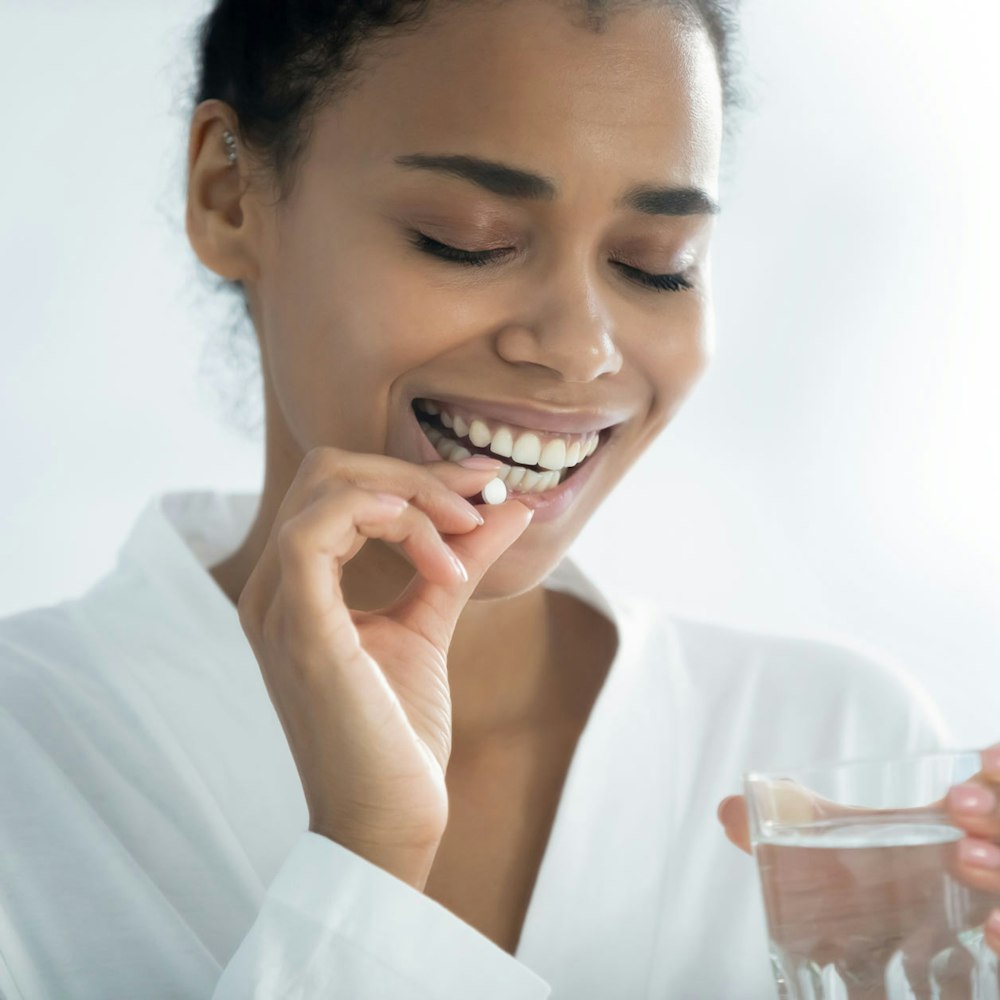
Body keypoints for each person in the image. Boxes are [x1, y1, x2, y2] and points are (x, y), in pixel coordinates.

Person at [2, 1, 999, 997]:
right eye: (464, 241)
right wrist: (367, 858)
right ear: (228, 194)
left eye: (656, 264)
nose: (580, 347)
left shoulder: (833, 744)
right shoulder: (27, 752)